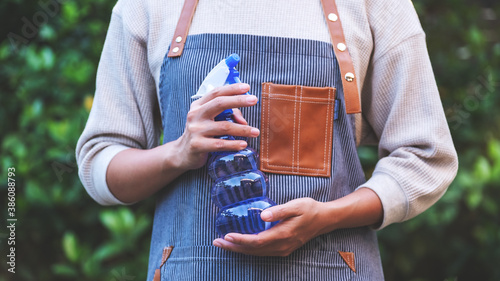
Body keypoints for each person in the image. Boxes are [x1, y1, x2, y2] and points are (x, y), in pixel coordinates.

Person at [76, 0, 458, 280]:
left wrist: (326, 218)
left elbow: (425, 155)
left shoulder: (375, 6)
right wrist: (180, 152)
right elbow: (100, 161)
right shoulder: (146, 7)